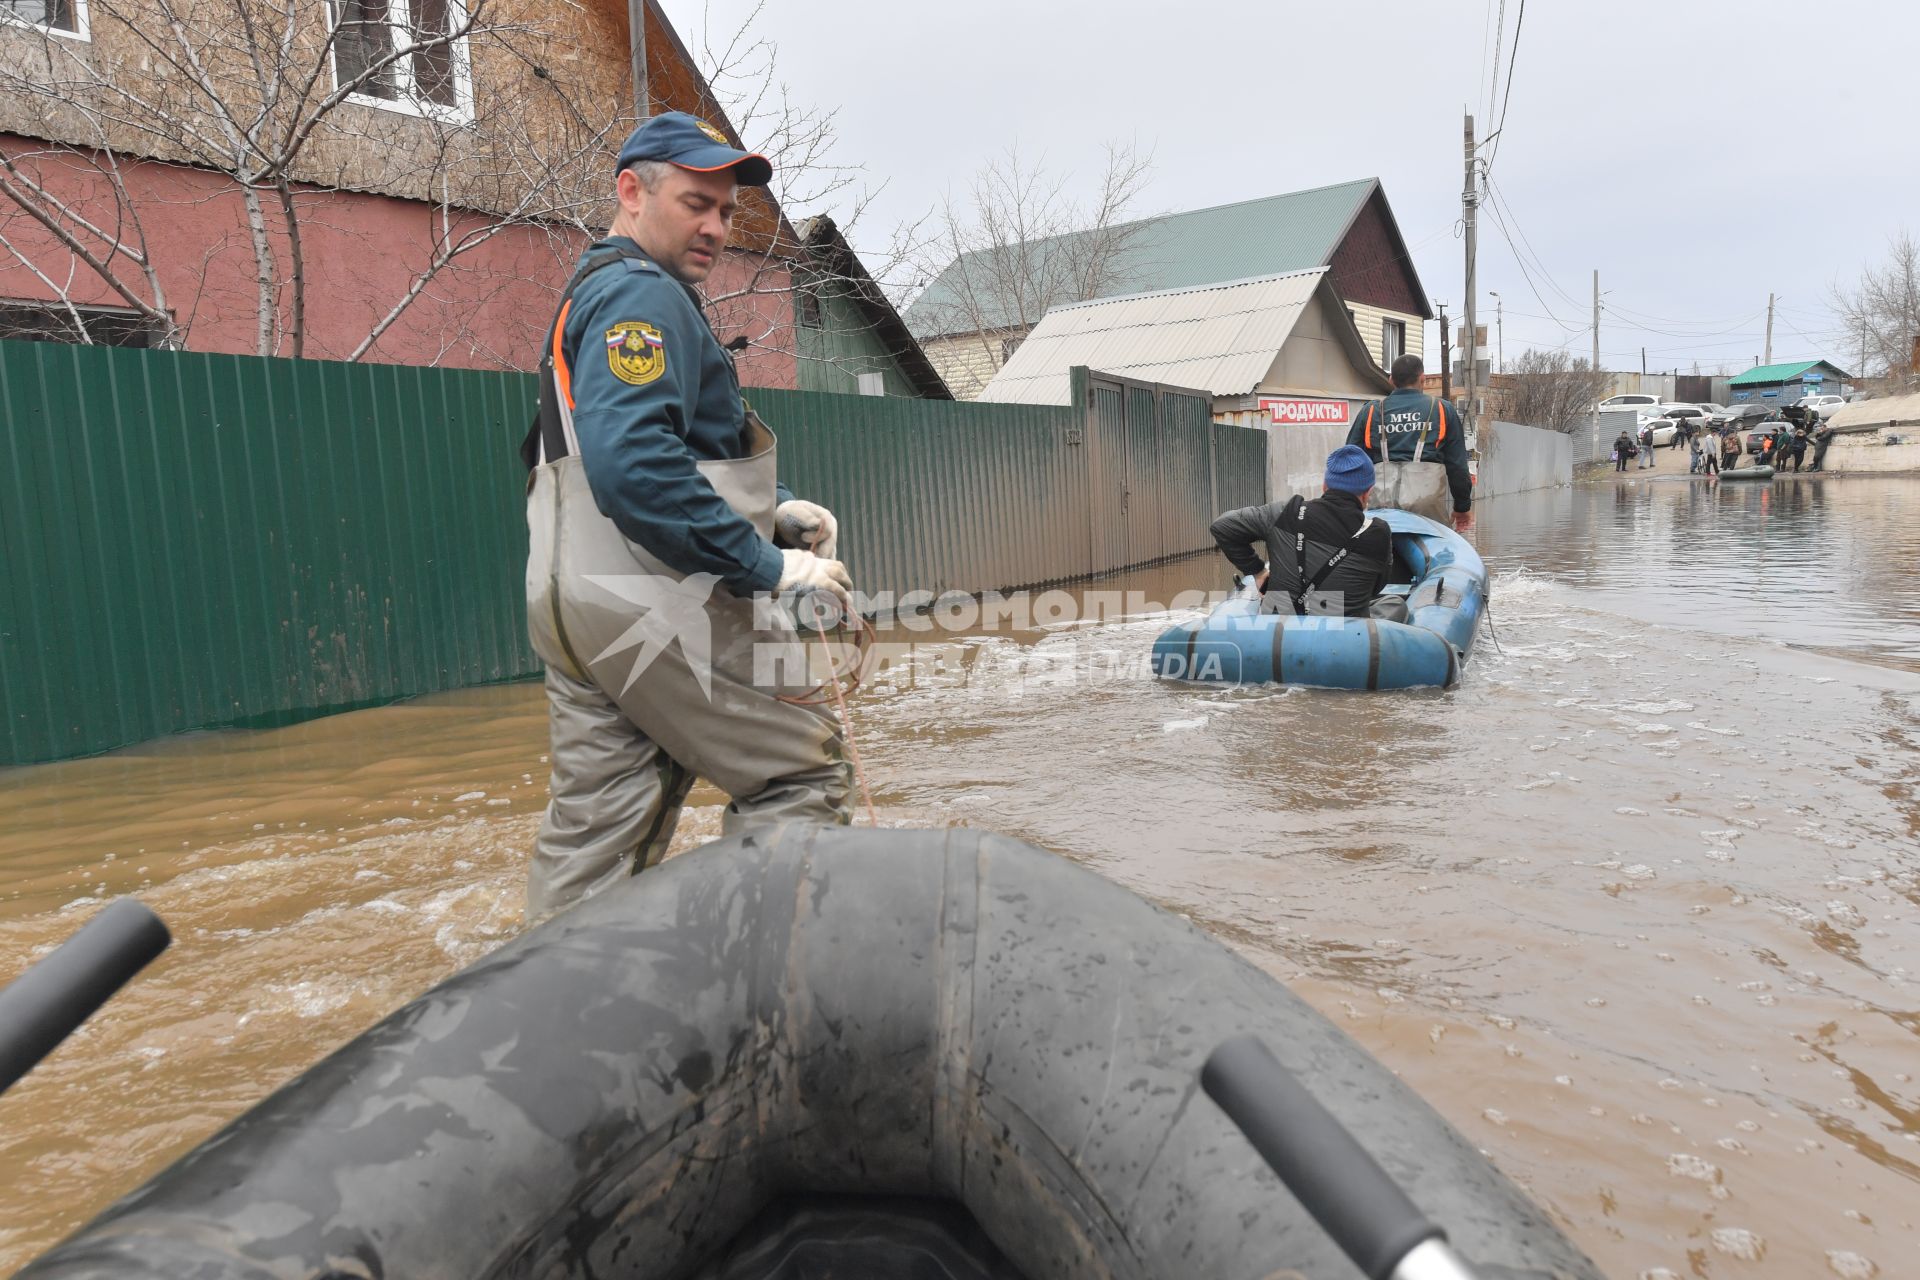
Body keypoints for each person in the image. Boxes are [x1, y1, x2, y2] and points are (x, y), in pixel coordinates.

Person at [519, 111, 854, 921]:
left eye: (728, 212)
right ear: (632, 191)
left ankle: (559, 1014)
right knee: (802, 779)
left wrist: (770, 512)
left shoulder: (591, 292)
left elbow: (613, 450)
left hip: (571, 601)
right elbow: (635, 464)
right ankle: (762, 997)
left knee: (597, 834)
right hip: (655, 594)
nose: (715, 226)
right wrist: (770, 566)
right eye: (696, 203)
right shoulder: (643, 293)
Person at [1209, 446, 1395, 619]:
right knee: (1393, 604)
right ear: (1367, 493)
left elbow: (1222, 527)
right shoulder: (1379, 533)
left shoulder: (1284, 513)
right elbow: (1375, 588)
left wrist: (1257, 571)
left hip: (1279, 636)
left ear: (1324, 485)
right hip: (1345, 642)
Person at [1345, 354, 1473, 530]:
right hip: (1427, 511)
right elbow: (1457, 466)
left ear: (1391, 380)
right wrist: (1462, 507)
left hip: (1381, 509)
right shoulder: (1443, 410)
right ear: (1423, 379)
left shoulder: (1371, 411)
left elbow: (1349, 462)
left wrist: (1349, 511)